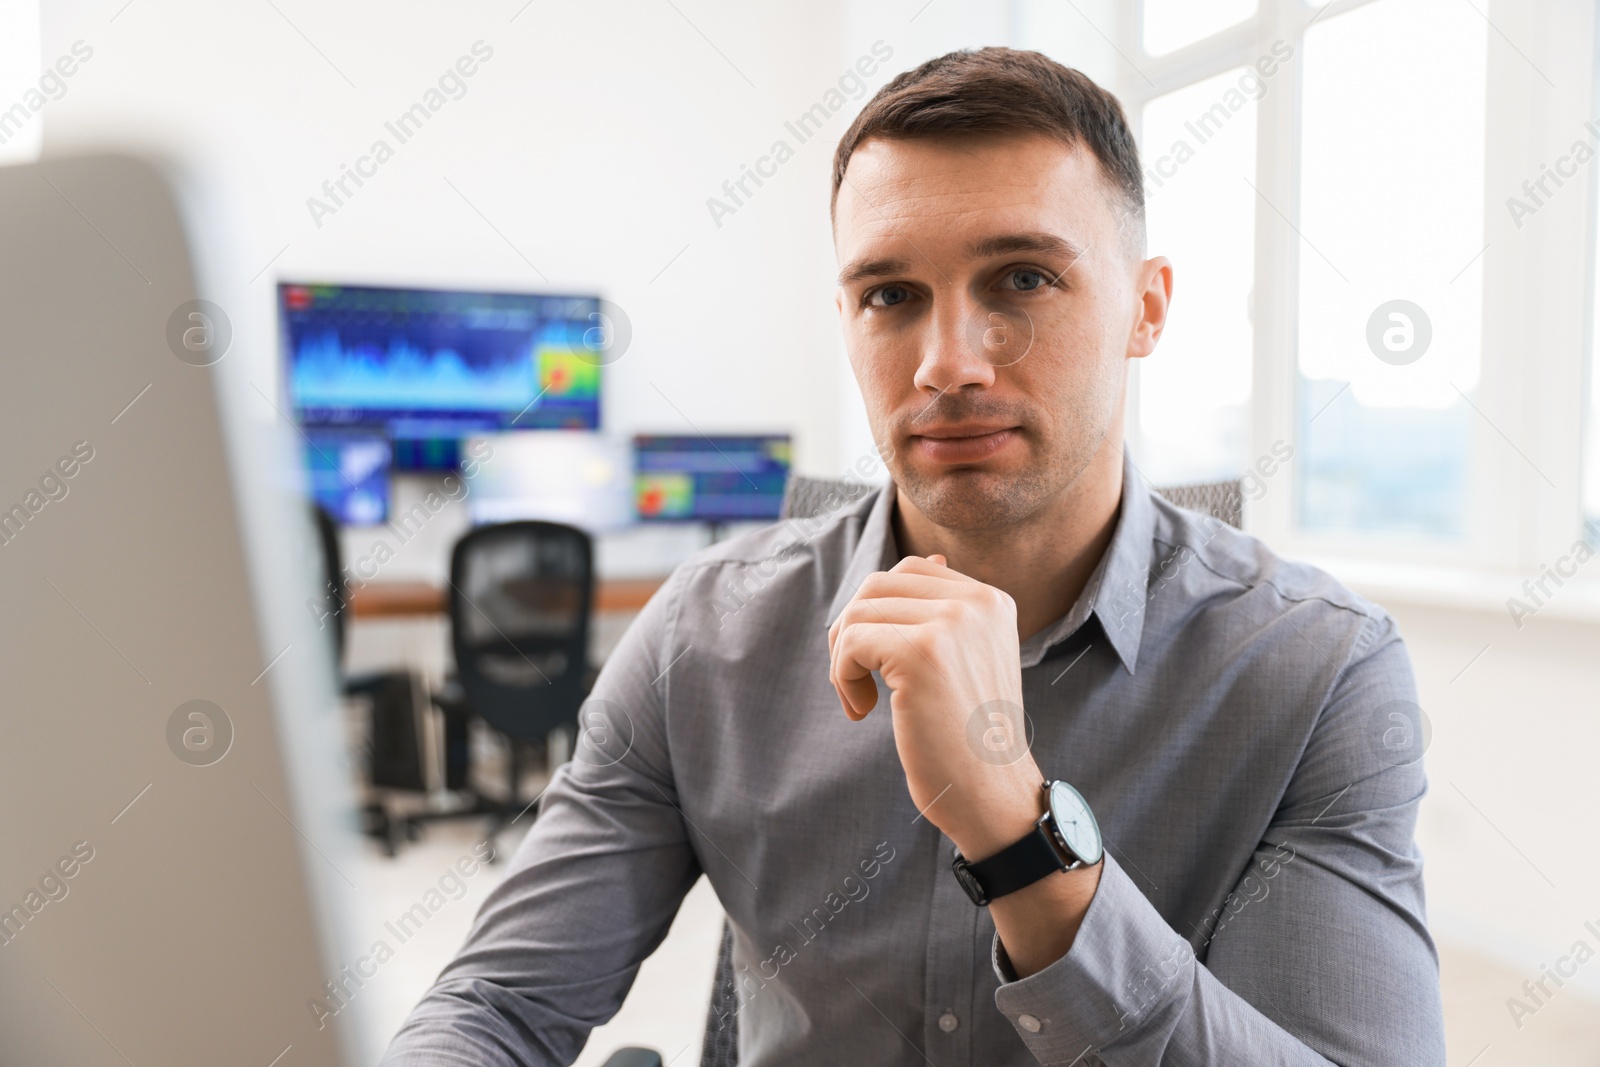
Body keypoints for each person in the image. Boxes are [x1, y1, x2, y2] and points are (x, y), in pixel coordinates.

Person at [381, 47, 1445, 1066]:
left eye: (1022, 279)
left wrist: (1019, 833)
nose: (945, 364)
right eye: (889, 295)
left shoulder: (1316, 674)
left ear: (1145, 307)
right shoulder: (702, 638)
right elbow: (497, 1004)